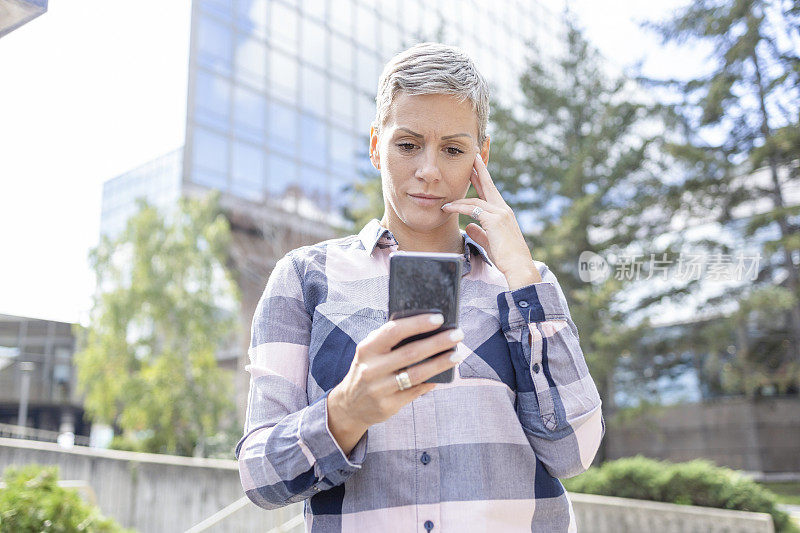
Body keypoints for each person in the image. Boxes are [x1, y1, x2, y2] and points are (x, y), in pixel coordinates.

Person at [235, 41, 604, 532]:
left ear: (480, 158)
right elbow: (259, 475)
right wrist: (345, 412)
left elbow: (575, 451)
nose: (429, 171)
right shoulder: (305, 279)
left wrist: (523, 277)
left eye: (453, 149)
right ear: (375, 146)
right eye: (408, 144)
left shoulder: (523, 286)